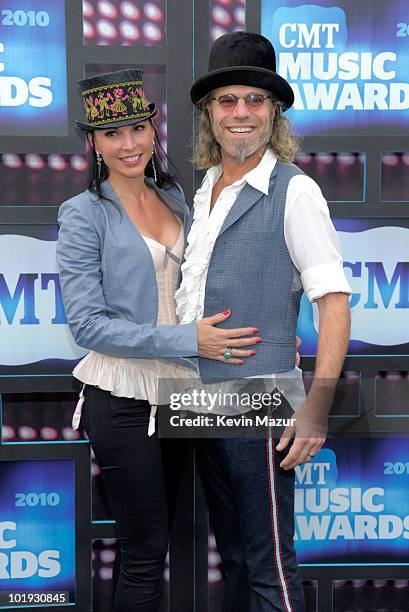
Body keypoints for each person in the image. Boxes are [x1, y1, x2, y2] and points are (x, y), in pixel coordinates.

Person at [55, 68, 261, 612]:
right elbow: (88, 326)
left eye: (137, 129)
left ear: (153, 130)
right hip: (123, 396)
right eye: (112, 134)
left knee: (173, 540)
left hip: (185, 392)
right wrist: (186, 338)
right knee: (144, 551)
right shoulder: (82, 214)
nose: (128, 145)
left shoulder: (174, 198)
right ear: (94, 143)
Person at [174, 32, 352, 611]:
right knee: (237, 559)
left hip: (259, 400)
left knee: (270, 565)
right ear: (209, 114)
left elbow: (333, 301)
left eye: (255, 100)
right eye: (228, 101)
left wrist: (317, 407)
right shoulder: (205, 191)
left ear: (273, 112)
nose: (241, 113)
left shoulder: (295, 191)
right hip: (198, 399)